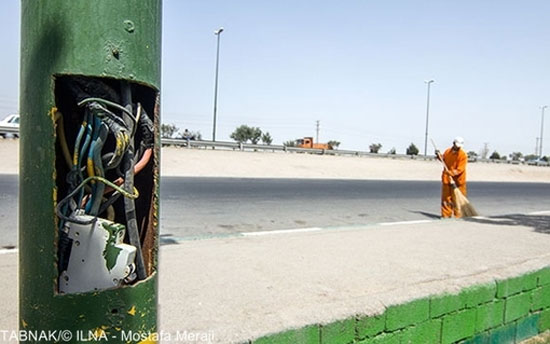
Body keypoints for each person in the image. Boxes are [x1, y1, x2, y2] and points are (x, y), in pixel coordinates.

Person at [436, 136, 468, 218]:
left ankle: (459, 215)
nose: (457, 147)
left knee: (458, 199)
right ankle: (446, 215)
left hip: (458, 181)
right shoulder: (447, 152)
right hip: (447, 179)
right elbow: (443, 159)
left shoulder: (463, 155)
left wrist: (451, 172)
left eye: (459, 146)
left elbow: (460, 169)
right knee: (446, 199)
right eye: (456, 145)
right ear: (453, 144)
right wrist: (439, 155)